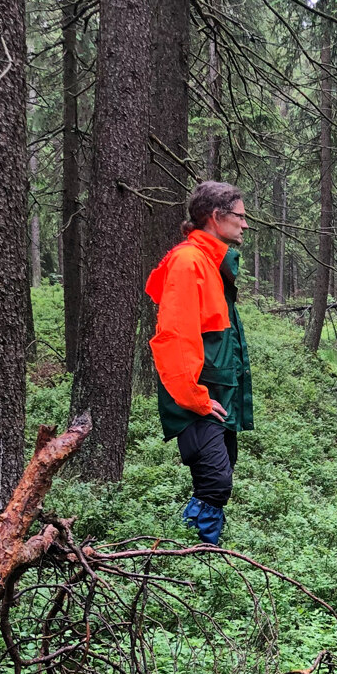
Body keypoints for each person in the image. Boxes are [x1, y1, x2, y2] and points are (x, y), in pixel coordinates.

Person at [145, 181, 254, 546]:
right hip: (197, 397)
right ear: (215, 217)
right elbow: (174, 338)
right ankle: (194, 554)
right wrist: (197, 398)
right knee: (215, 482)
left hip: (216, 395)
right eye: (240, 216)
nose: (245, 224)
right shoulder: (188, 262)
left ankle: (204, 553)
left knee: (220, 478)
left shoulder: (212, 263)